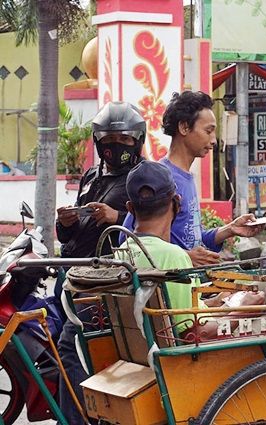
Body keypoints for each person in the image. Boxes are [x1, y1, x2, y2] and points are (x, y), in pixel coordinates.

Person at [55, 101, 146, 424]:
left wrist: (118, 216)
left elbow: (154, 223)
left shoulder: (141, 177)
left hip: (106, 282)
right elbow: (71, 237)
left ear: (137, 141)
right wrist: (66, 222)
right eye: (109, 141)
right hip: (75, 275)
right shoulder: (93, 176)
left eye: (124, 141)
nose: (116, 148)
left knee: (71, 347)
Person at [120, 160, 266, 338]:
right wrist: (243, 311)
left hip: (147, 341)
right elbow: (194, 335)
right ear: (177, 202)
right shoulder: (174, 258)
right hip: (193, 352)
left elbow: (180, 311)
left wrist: (218, 302)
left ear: (130, 208)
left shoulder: (122, 253)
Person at [122, 90, 259, 265]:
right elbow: (126, 239)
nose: (213, 140)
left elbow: (192, 238)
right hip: (173, 283)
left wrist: (231, 229)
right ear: (184, 127)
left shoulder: (186, 177)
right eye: (208, 131)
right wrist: (185, 256)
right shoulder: (162, 179)